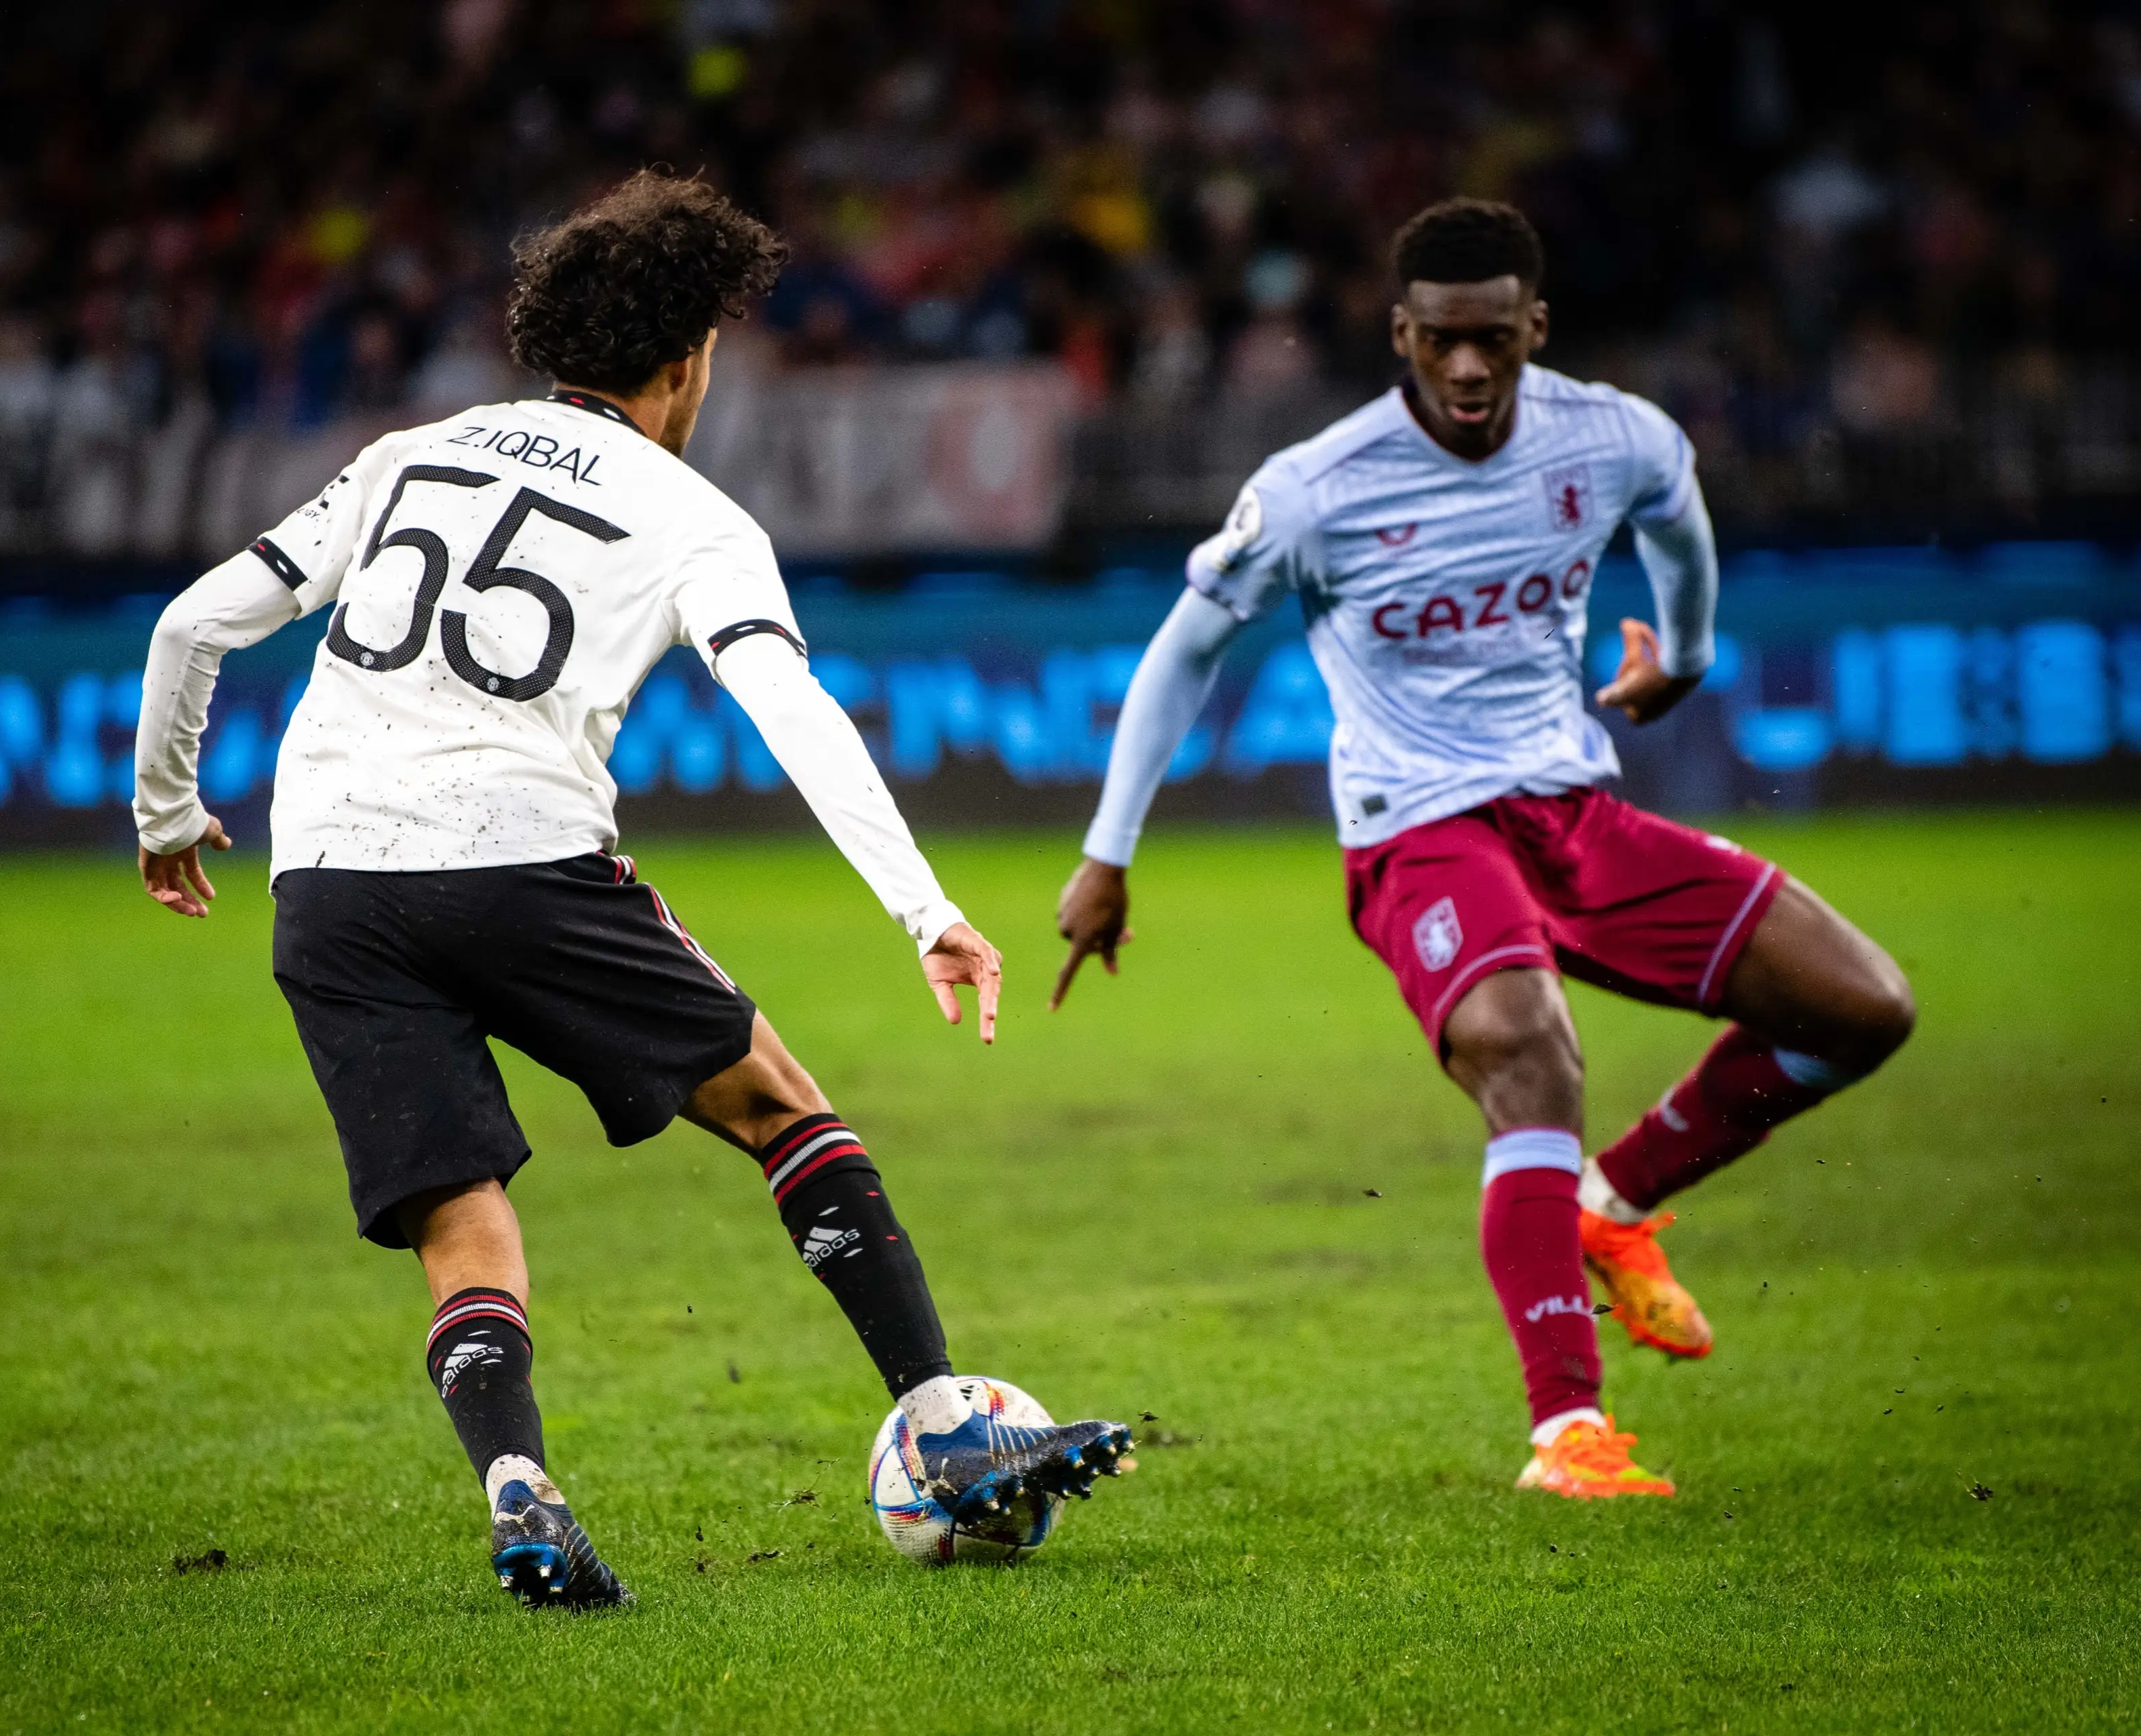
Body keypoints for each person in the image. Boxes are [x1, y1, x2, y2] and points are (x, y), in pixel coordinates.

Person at [130, 173, 1128, 1608]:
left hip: (330, 875)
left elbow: (192, 621)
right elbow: (791, 708)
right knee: (783, 1106)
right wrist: (925, 907)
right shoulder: (692, 515)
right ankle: (945, 1422)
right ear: (684, 362)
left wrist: (168, 812)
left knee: (461, 1212)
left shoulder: (414, 451)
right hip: (522, 856)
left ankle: (516, 1481)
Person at [1053, 198, 1913, 1500]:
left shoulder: (1612, 436)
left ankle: (1609, 1208)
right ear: (1402, 334)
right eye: (1442, 341)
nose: (1468, 369)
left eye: (1495, 341)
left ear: (1535, 329)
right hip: (1418, 831)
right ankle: (1569, 1435)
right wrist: (1108, 854)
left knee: (1864, 1007)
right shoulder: (1315, 490)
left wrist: (1682, 657)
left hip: (1575, 809)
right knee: (1528, 1045)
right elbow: (1185, 648)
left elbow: (1678, 517)